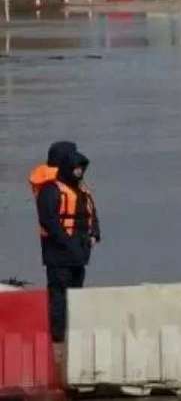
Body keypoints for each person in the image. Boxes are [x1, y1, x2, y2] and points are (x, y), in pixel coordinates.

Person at [31, 142, 100, 342]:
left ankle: (74, 333)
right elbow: (49, 220)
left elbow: (91, 214)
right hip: (58, 254)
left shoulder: (80, 190)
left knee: (76, 294)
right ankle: (58, 337)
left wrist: (94, 234)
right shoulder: (50, 190)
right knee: (59, 296)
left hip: (79, 254)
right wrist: (67, 242)